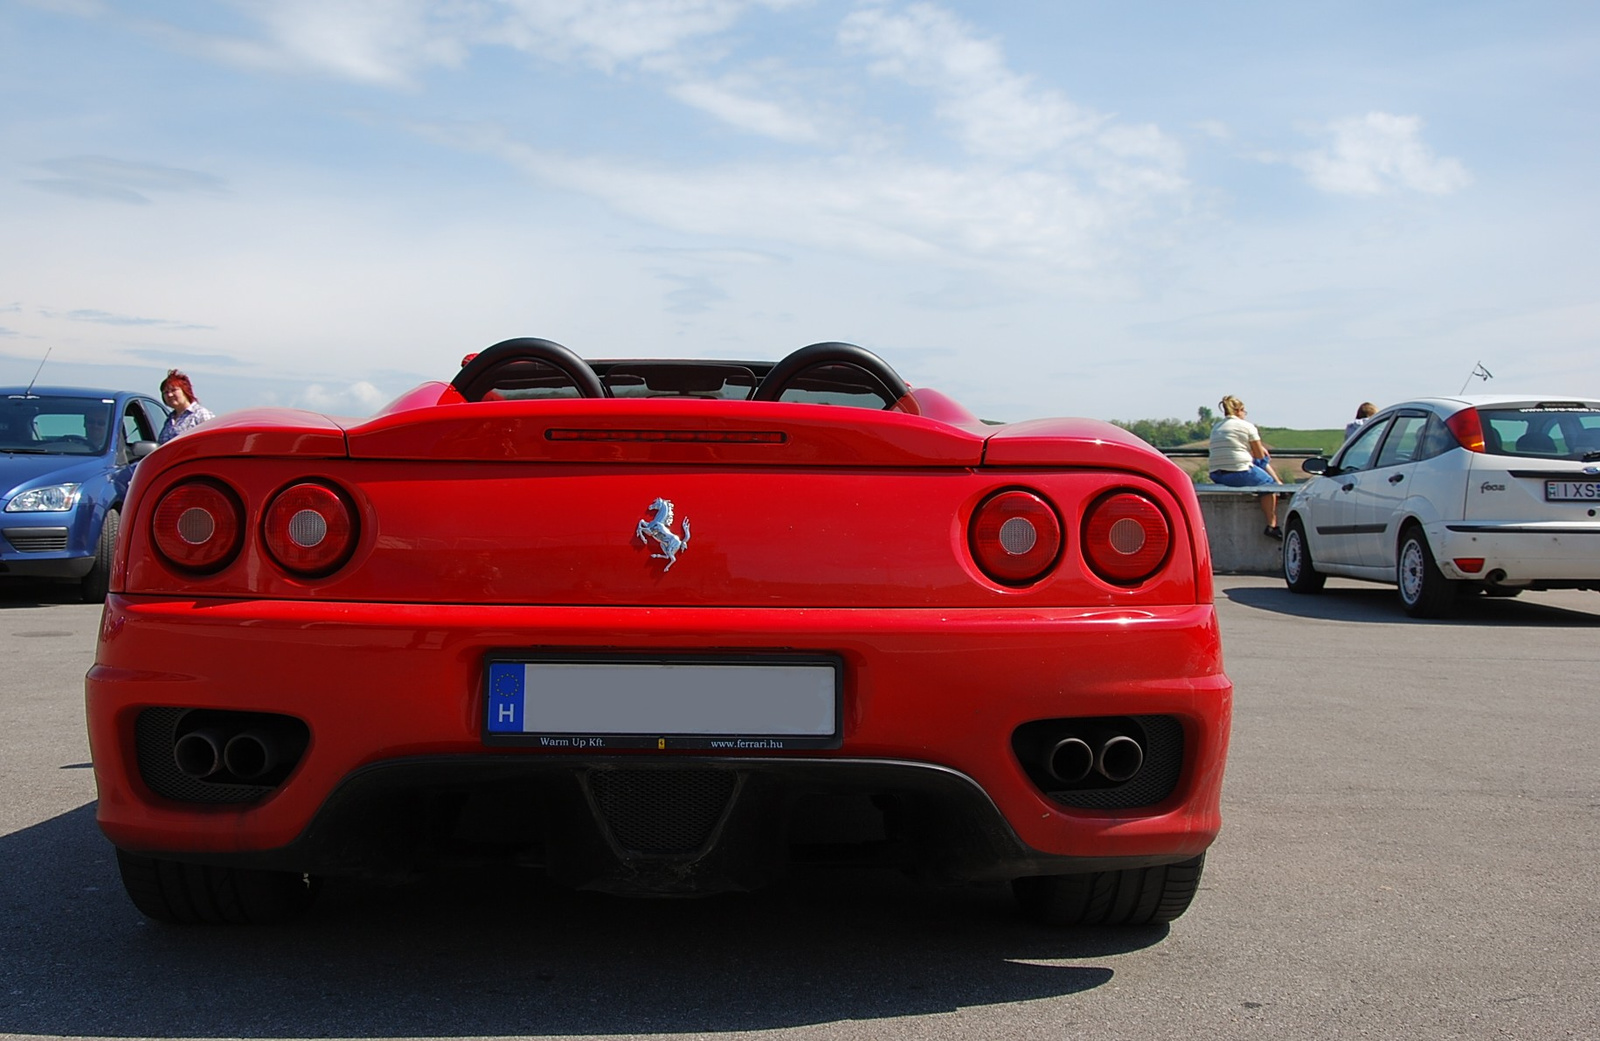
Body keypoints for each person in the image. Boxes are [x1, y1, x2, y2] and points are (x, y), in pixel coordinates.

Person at [1208, 395, 1284, 539]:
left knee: (1257, 465)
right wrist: (1261, 449)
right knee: (1269, 485)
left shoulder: (1216, 427)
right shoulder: (1247, 426)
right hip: (1239, 472)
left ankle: (1279, 484)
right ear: (1240, 410)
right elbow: (1259, 456)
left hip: (1216, 474)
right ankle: (1272, 525)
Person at [158, 369, 216, 444]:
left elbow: (213, 441)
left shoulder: (200, 415)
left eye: (174, 390)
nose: (169, 395)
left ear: (185, 391)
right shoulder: (169, 420)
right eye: (166, 392)